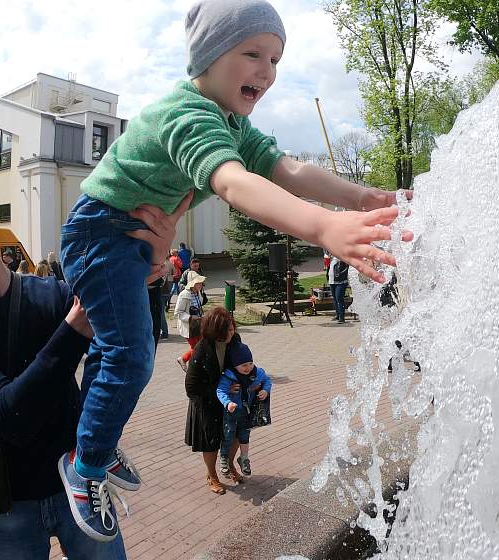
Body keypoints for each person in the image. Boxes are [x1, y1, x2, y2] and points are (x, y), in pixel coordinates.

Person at [56, 0, 410, 538]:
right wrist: (322, 228)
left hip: (127, 238)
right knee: (130, 357)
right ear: (208, 56)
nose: (266, 71)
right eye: (252, 53)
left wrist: (360, 196)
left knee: (114, 351)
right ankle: (84, 467)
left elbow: (288, 168)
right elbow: (232, 183)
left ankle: (91, 442)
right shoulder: (188, 113)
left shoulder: (230, 120)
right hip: (100, 235)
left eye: (276, 59)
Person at [0, 183, 184, 553]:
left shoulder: (54, 293)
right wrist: (74, 328)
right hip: (7, 503)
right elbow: (8, 415)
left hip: (81, 486)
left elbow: (123, 354)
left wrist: (137, 273)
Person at [184, 307, 243, 494]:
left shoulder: (235, 341)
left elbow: (242, 365)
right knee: (210, 442)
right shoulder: (202, 349)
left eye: (232, 328)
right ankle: (211, 474)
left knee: (236, 435)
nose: (230, 333)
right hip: (206, 402)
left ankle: (230, 465)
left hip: (230, 402)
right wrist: (221, 390)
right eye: (225, 330)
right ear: (214, 330)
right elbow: (191, 387)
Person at [216, 342, 271, 477]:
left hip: (246, 412)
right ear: (235, 365)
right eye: (244, 365)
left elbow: (267, 380)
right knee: (228, 435)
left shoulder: (257, 373)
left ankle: (244, 458)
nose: (248, 368)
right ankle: (223, 458)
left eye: (250, 363)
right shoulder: (229, 376)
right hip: (231, 412)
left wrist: (265, 390)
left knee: (245, 435)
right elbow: (220, 390)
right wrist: (227, 403)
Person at [175, 271, 207, 371]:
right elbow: (178, 313)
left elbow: (200, 306)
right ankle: (195, 367)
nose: (201, 285)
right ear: (193, 283)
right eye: (199, 283)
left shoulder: (198, 293)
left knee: (201, 345)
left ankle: (183, 359)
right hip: (189, 326)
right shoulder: (184, 295)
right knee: (196, 347)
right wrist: (190, 317)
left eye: (201, 283)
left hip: (198, 324)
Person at [328, 255, 349, 323]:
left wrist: (340, 274)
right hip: (332, 281)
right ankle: (338, 315)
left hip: (341, 282)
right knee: (335, 299)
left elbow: (346, 268)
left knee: (339, 298)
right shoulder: (332, 259)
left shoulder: (342, 258)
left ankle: (342, 317)